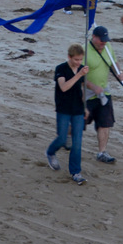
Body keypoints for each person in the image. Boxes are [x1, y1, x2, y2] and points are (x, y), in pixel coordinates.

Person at [47, 44, 90, 185]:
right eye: (76, 60)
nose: (78, 62)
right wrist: (79, 74)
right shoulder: (61, 69)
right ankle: (51, 152)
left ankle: (75, 172)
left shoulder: (81, 70)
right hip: (63, 109)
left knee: (77, 142)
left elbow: (82, 90)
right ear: (69, 57)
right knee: (62, 138)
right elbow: (64, 87)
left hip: (77, 109)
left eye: (80, 60)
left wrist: (85, 107)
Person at [83, 25, 123, 163]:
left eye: (105, 40)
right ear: (93, 37)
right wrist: (93, 87)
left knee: (105, 123)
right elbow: (78, 75)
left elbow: (113, 61)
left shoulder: (107, 46)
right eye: (101, 40)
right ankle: (67, 137)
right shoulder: (84, 51)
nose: (103, 43)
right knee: (79, 123)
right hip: (85, 94)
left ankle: (102, 152)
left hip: (103, 93)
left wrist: (119, 72)